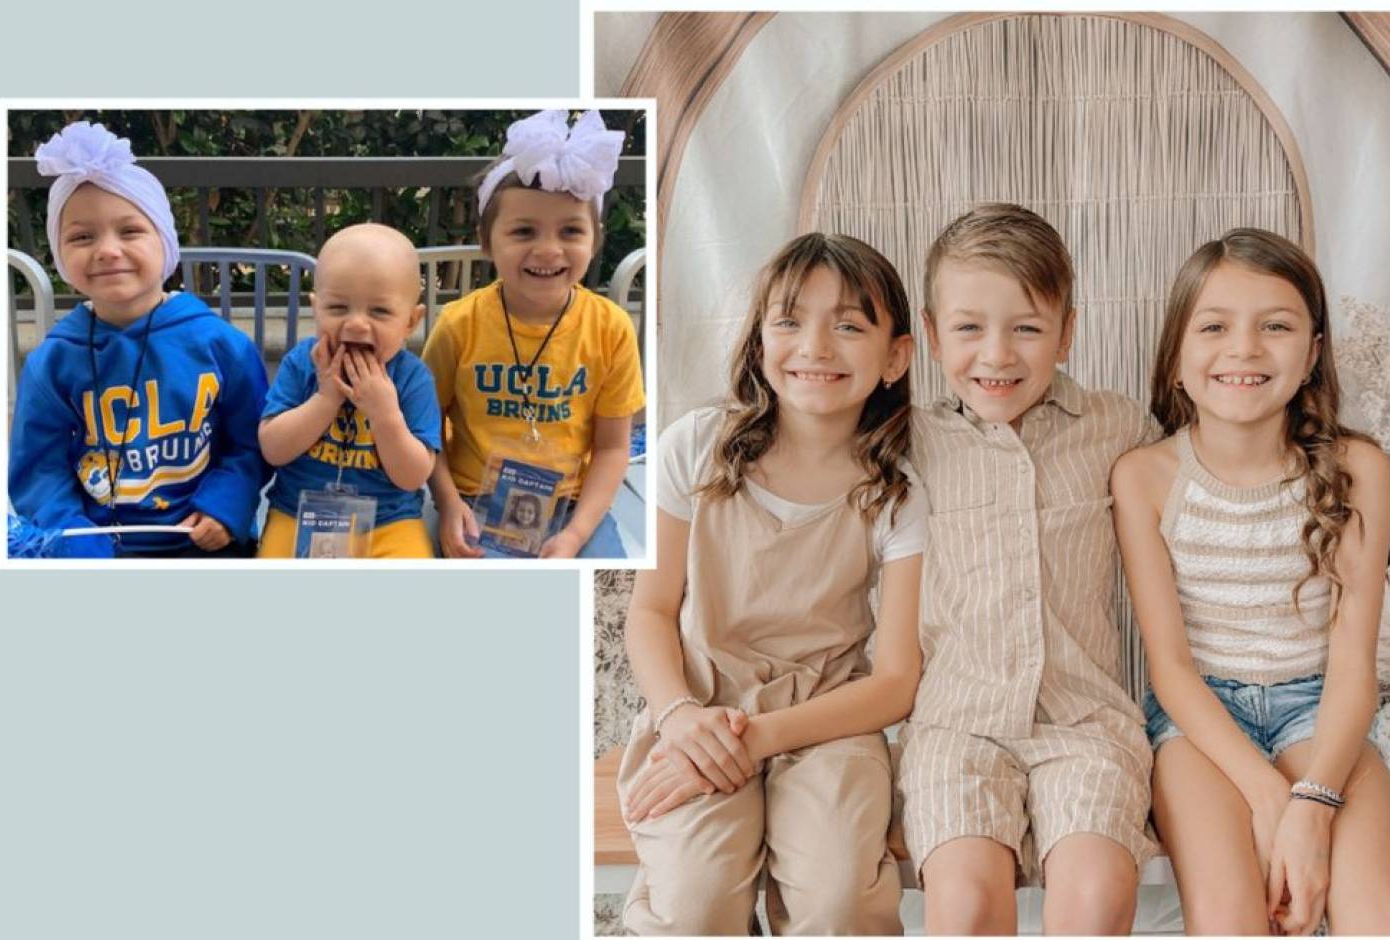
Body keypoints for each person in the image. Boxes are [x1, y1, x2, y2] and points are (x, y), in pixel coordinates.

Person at [618, 233, 923, 935]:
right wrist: (680, 718)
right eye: (789, 321)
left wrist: (758, 738)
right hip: (698, 712)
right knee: (696, 904)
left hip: (827, 723)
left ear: (895, 357)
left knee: (839, 897)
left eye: (849, 325)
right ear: (759, 343)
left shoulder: (899, 492)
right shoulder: (694, 448)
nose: (816, 345)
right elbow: (653, 611)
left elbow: (896, 681)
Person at [1111, 229, 1390, 935]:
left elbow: (1351, 666)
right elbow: (1172, 670)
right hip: (1200, 721)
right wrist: (1267, 795)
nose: (1244, 349)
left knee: (1386, 918)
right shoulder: (1145, 477)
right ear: (1177, 356)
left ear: (1311, 354)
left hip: (1321, 707)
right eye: (1214, 326)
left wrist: (1311, 804)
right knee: (1229, 924)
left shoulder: (1357, 469)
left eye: (1276, 326)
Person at [899, 203, 1157, 935]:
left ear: (1068, 331)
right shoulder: (908, 442)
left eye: (1028, 328)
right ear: (931, 332)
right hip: (957, 726)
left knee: (1098, 894)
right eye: (969, 328)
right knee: (967, 906)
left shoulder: (1120, 429)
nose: (997, 355)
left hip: (1084, 721)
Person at [9, 121, 268, 558]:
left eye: (130, 231)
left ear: (164, 244)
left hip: (202, 539)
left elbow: (251, 441)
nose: (108, 250)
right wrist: (74, 536)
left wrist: (227, 508)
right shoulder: (52, 362)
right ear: (60, 254)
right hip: (92, 547)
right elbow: (39, 471)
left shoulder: (221, 344)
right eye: (82, 236)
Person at [422, 109, 645, 558]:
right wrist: (447, 504)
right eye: (523, 231)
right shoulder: (458, 325)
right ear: (487, 242)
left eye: (570, 231)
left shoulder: (611, 328)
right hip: (472, 500)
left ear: (594, 240)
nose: (548, 250)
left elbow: (612, 448)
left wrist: (576, 534)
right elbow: (424, 429)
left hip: (573, 506)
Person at [257, 224, 442, 558]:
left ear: (411, 321)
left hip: (390, 519)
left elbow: (413, 477)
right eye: (338, 308)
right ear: (316, 308)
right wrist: (326, 399)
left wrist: (386, 415)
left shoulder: (413, 379)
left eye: (380, 311)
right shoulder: (302, 364)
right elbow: (273, 449)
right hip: (297, 512)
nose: (356, 324)